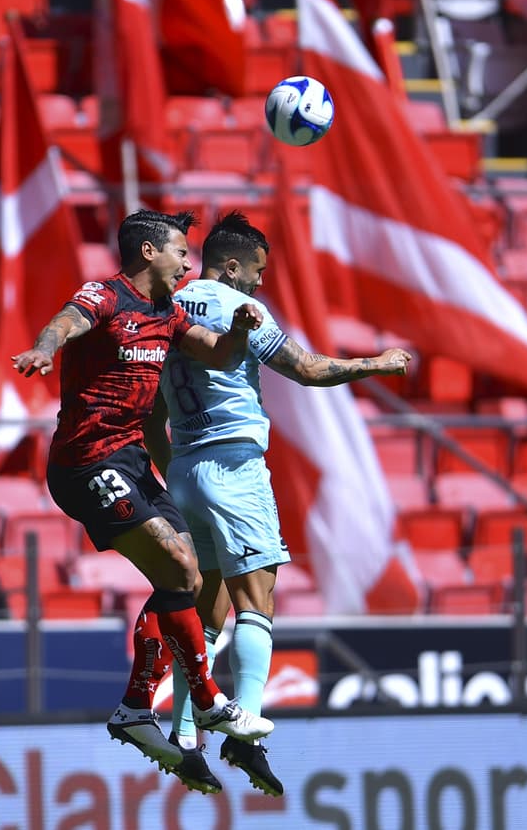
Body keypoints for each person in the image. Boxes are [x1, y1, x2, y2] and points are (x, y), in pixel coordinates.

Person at [144, 211, 412, 795]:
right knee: (256, 600)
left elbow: (152, 420)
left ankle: (187, 738)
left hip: (187, 466)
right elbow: (309, 370)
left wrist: (177, 474)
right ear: (233, 265)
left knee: (208, 612)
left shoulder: (167, 314)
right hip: (235, 466)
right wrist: (378, 364)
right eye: (258, 271)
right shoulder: (237, 310)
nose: (261, 284)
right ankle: (245, 734)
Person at [10, 209, 275, 774]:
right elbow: (65, 322)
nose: (188, 261)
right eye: (181, 251)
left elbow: (219, 353)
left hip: (130, 460)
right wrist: (45, 348)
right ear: (149, 252)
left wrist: (241, 330)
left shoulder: (169, 313)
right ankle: (207, 704)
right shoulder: (106, 296)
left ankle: (136, 707)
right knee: (180, 565)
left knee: (186, 579)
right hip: (85, 461)